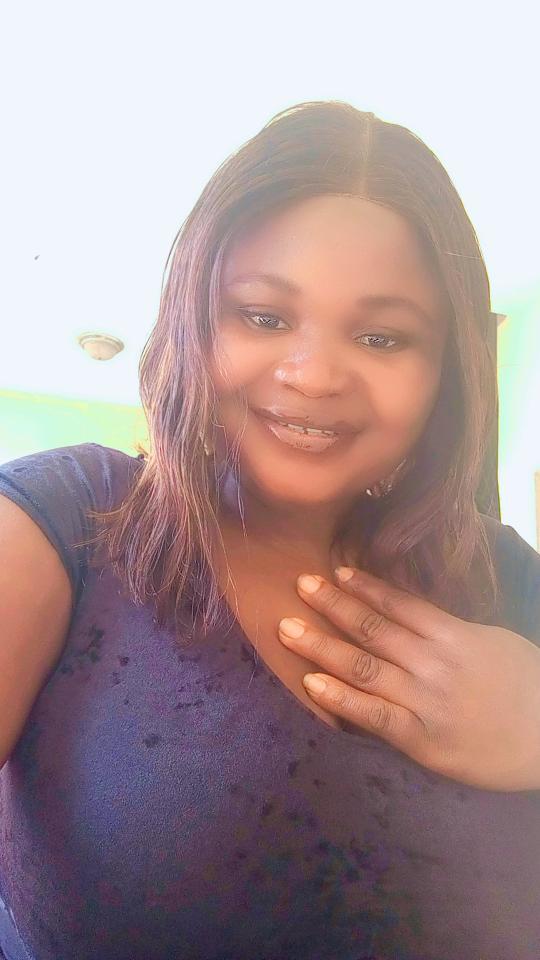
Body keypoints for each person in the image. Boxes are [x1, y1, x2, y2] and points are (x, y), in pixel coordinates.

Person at [1, 100, 539, 960]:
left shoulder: (504, 574)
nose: (315, 375)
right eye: (263, 316)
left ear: (448, 371)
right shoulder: (69, 522)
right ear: (192, 322)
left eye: (381, 336)